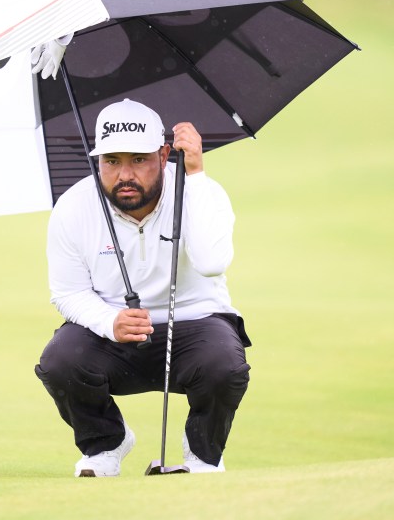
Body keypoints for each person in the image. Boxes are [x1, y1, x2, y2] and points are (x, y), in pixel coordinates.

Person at [34, 98, 252, 477]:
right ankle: (106, 443)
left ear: (164, 153)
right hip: (115, 334)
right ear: (96, 160)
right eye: (112, 161)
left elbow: (212, 263)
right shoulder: (73, 207)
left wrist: (196, 174)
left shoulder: (202, 191)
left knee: (224, 363)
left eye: (139, 159)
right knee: (60, 361)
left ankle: (203, 453)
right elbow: (67, 293)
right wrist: (109, 320)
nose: (124, 175)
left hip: (193, 326)